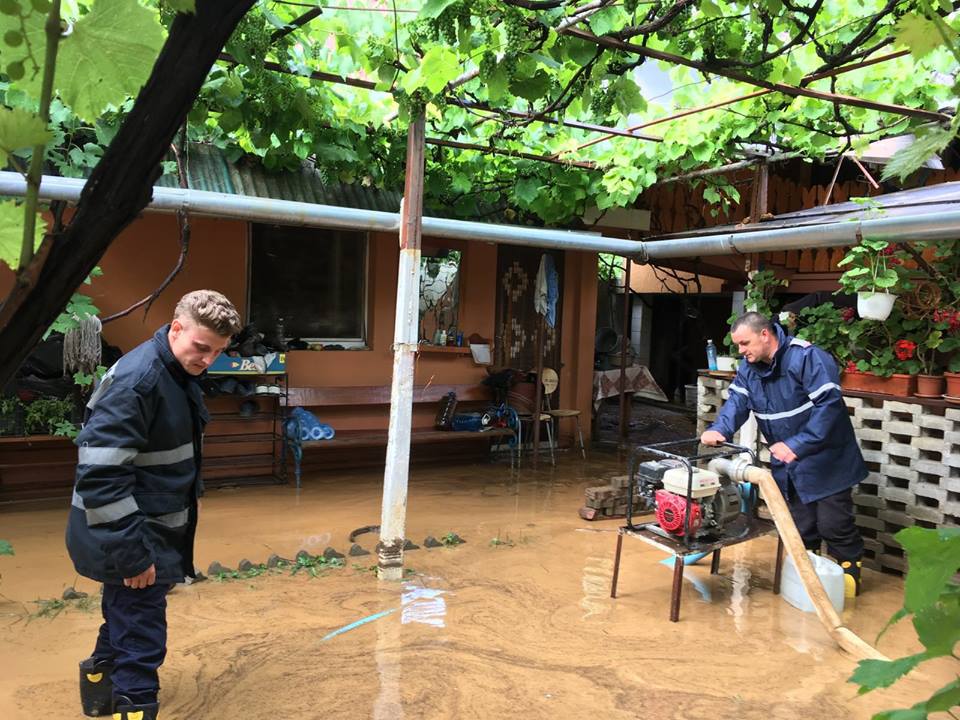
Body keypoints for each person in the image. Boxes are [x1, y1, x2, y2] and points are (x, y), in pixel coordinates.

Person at [67, 290, 241, 719]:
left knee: (125, 617)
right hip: (130, 536)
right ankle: (133, 702)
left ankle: (98, 689)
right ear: (176, 328)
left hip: (143, 531)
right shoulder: (140, 381)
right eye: (202, 347)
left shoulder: (175, 370)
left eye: (218, 352)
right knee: (141, 639)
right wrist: (133, 555)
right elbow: (101, 474)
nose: (208, 360)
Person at [700, 312, 867, 598]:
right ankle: (808, 583)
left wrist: (797, 444)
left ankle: (849, 582)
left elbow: (830, 407)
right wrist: (720, 429)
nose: (741, 350)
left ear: (765, 335)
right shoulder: (749, 368)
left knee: (834, 524)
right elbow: (738, 401)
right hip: (789, 463)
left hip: (827, 459)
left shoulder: (807, 358)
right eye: (738, 345)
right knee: (801, 525)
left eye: (745, 343)